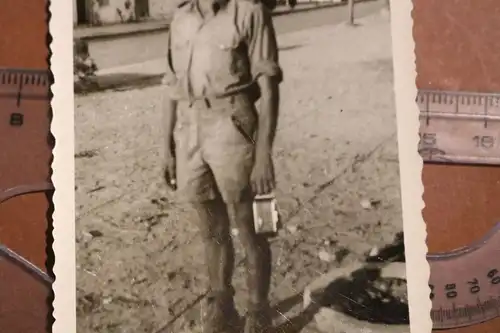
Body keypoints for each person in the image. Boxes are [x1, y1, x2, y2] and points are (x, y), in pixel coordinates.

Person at [161, 0, 282, 331]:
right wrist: (167, 146)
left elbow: (270, 91)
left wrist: (263, 156)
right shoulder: (181, 17)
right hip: (190, 129)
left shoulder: (250, 12)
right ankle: (222, 306)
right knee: (211, 229)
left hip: (234, 124)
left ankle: (258, 312)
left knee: (252, 228)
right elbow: (171, 86)